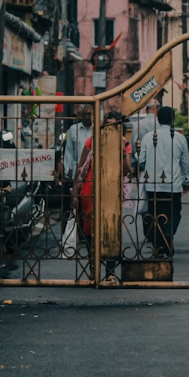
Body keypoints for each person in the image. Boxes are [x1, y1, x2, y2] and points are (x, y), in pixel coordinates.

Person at [72, 111, 132, 278]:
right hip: (89, 191)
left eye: (114, 125)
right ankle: (93, 267)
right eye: (108, 125)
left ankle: (110, 271)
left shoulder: (125, 144)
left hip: (112, 192)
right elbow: (81, 167)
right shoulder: (93, 141)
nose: (110, 129)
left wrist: (121, 151)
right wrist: (75, 194)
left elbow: (126, 171)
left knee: (110, 231)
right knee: (90, 231)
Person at [138, 106, 189, 257]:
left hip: (152, 185)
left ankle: (160, 244)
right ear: (173, 120)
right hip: (173, 185)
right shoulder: (180, 138)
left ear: (158, 119)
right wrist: (186, 180)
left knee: (154, 214)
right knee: (174, 213)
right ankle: (167, 237)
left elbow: (141, 160)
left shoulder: (148, 137)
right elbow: (185, 164)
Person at [59, 104, 93, 181]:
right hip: (77, 172)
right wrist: (67, 172)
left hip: (93, 171)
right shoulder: (74, 129)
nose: (88, 117)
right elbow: (69, 151)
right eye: (85, 114)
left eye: (90, 114)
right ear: (82, 116)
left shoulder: (97, 130)